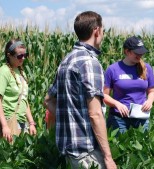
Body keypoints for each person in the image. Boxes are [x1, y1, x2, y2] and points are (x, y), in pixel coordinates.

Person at [44, 11, 117, 169]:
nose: (103, 35)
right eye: (103, 30)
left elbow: (48, 100)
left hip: (69, 150)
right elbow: (95, 114)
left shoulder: (67, 60)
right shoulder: (89, 62)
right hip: (87, 152)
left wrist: (69, 119)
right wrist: (108, 158)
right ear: (96, 31)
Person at [104, 36, 154, 134]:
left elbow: (151, 91)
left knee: (142, 148)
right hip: (119, 118)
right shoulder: (113, 69)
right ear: (127, 52)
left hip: (141, 117)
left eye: (142, 52)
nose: (140, 55)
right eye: (137, 53)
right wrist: (117, 104)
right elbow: (104, 95)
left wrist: (149, 101)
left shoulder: (146, 68)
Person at [0, 39, 37, 143]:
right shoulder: (4, 72)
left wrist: (31, 123)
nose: (23, 58)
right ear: (9, 55)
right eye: (20, 56)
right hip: (9, 121)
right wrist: (4, 126)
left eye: (25, 55)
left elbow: (24, 99)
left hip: (22, 122)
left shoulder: (22, 73)